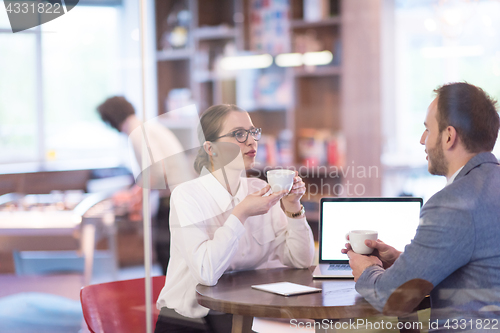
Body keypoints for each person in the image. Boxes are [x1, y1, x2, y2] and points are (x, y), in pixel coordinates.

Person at [344, 82, 500, 329]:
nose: (422, 140)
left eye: (428, 130)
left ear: (449, 136)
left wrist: (366, 269)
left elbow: (392, 299)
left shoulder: (453, 203)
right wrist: (404, 260)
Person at [155, 104, 315, 333]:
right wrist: (240, 213)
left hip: (241, 317)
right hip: (188, 322)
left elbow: (301, 261)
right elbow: (206, 274)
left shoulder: (260, 189)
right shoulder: (187, 196)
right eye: (239, 134)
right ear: (211, 148)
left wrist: (293, 207)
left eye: (253, 132)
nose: (252, 141)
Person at [97, 96, 191, 275]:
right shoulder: (148, 128)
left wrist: (134, 195)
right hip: (178, 197)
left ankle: (170, 301)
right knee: (174, 256)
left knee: (168, 257)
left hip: (172, 200)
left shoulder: (138, 133)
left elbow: (157, 171)